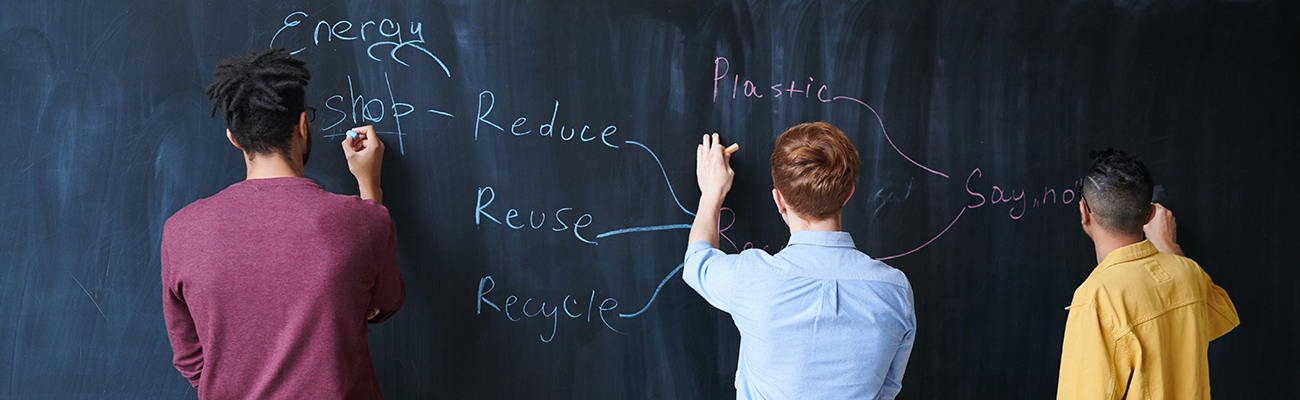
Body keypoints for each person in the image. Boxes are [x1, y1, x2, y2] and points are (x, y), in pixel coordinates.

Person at [161, 48, 406, 399]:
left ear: (233, 136)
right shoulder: (362, 221)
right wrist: (370, 188)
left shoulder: (181, 230)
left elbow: (191, 360)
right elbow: (388, 301)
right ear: (303, 126)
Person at [684, 123, 916, 399]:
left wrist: (711, 193)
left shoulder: (749, 278)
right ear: (849, 193)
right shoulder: (895, 290)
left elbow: (697, 260)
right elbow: (888, 387)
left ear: (779, 200)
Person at [1058, 149, 1238, 399]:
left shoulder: (1096, 299)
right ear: (1151, 214)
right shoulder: (1189, 273)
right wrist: (1170, 246)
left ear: (1084, 211)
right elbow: (1221, 316)